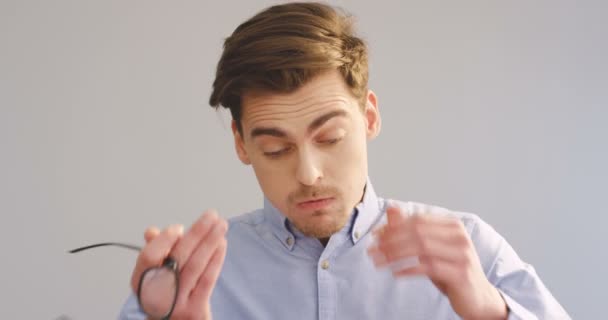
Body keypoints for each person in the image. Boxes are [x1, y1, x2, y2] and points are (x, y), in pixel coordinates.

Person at [119, 2, 569, 319]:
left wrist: (490, 312)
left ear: (369, 116)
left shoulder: (470, 248)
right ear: (240, 143)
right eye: (277, 149)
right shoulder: (193, 278)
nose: (309, 174)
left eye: (330, 137)